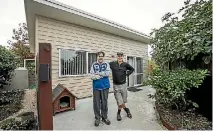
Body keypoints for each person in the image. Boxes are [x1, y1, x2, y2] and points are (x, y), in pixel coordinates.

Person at [109, 52, 134, 121]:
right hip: (116, 86)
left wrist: (127, 74)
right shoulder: (113, 64)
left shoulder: (125, 64)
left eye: (121, 56)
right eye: (118, 56)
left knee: (123, 101)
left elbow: (132, 69)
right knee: (120, 102)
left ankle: (124, 110)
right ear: (117, 57)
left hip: (123, 85)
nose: (120, 57)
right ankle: (122, 112)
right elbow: (105, 65)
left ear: (123, 57)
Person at [90, 51, 111, 127]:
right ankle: (97, 118)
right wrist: (99, 75)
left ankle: (104, 117)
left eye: (102, 56)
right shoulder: (93, 64)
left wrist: (98, 73)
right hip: (96, 87)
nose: (100, 57)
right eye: (99, 56)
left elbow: (108, 73)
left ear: (103, 57)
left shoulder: (106, 64)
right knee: (96, 103)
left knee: (104, 102)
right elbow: (91, 75)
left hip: (105, 86)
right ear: (97, 57)